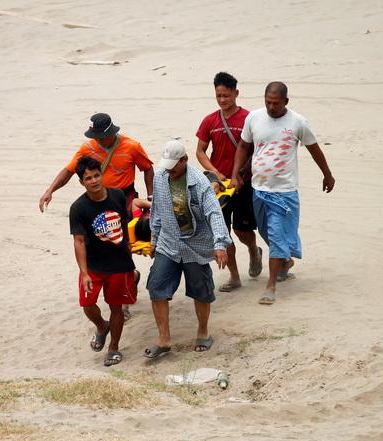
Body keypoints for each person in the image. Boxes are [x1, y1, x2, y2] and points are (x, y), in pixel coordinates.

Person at [231, 81, 335, 305]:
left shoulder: (298, 122)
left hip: (284, 191)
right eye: (267, 102)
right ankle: (285, 262)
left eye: (275, 103)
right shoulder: (254, 118)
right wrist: (236, 174)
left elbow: (314, 149)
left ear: (286, 102)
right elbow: (243, 147)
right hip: (258, 189)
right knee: (267, 233)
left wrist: (327, 174)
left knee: (277, 234)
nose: (270, 107)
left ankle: (271, 285)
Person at [143, 140, 231, 358]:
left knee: (201, 290)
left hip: (196, 244)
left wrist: (220, 244)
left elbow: (214, 213)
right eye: (167, 166)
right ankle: (164, 339)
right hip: (169, 242)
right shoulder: (160, 177)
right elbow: (156, 210)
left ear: (184, 160)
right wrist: (154, 239)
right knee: (156, 286)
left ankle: (203, 332)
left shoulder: (199, 182)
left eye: (174, 165)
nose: (170, 170)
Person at [196, 72, 263, 293]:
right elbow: (200, 151)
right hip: (219, 186)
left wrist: (242, 174)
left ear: (236, 93)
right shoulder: (210, 121)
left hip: (244, 183)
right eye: (218, 96)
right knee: (222, 234)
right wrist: (214, 172)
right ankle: (234, 277)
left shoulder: (249, 118)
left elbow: (257, 150)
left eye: (226, 95)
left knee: (243, 230)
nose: (223, 100)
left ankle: (254, 250)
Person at [69, 156, 138, 366]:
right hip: (94, 266)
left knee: (117, 308)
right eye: (88, 178)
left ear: (102, 175)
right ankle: (101, 326)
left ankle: (114, 348)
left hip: (119, 264)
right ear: (82, 182)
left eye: (96, 175)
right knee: (87, 304)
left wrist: (132, 247)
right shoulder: (78, 208)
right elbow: (79, 241)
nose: (94, 180)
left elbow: (126, 225)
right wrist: (84, 272)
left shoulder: (117, 195)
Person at [40, 113, 154, 212]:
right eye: (95, 137)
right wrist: (49, 191)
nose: (98, 140)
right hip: (99, 197)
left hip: (125, 197)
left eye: (101, 137)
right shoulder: (87, 148)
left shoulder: (132, 147)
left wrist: (150, 197)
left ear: (111, 133)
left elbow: (148, 169)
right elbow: (69, 171)